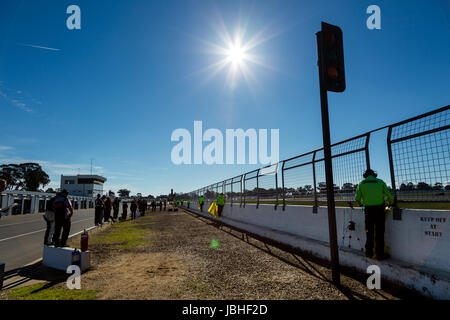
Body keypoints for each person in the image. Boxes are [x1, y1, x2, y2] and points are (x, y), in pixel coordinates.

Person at [355, 169, 394, 260]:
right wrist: (390, 203)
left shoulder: (361, 183)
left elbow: (357, 198)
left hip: (368, 210)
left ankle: (369, 252)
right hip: (380, 210)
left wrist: (361, 204)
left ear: (365, 175)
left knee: (369, 231)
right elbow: (389, 196)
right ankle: (380, 254)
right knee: (380, 232)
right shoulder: (380, 182)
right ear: (374, 174)